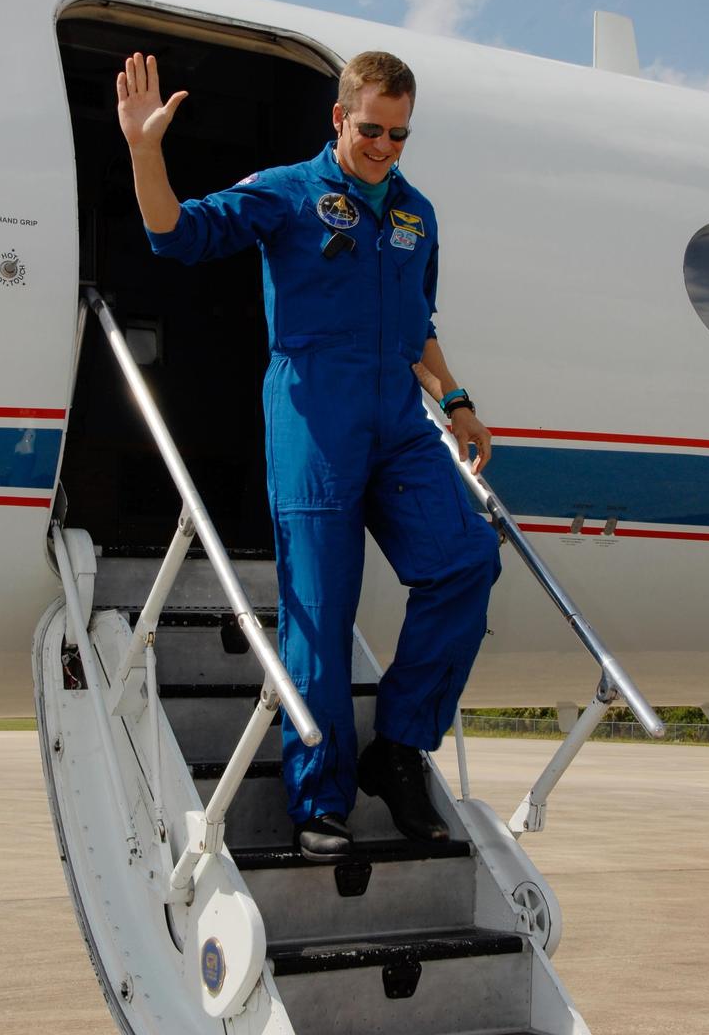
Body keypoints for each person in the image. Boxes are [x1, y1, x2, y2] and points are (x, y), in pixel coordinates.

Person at [117, 49, 501, 860]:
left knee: (467, 558)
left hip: (398, 417)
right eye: (371, 130)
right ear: (339, 117)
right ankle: (318, 797)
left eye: (399, 135)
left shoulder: (416, 215)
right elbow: (176, 235)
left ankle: (396, 748)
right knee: (320, 609)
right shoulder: (287, 191)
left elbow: (418, 322)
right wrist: (145, 153)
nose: (384, 147)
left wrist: (457, 399)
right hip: (312, 409)